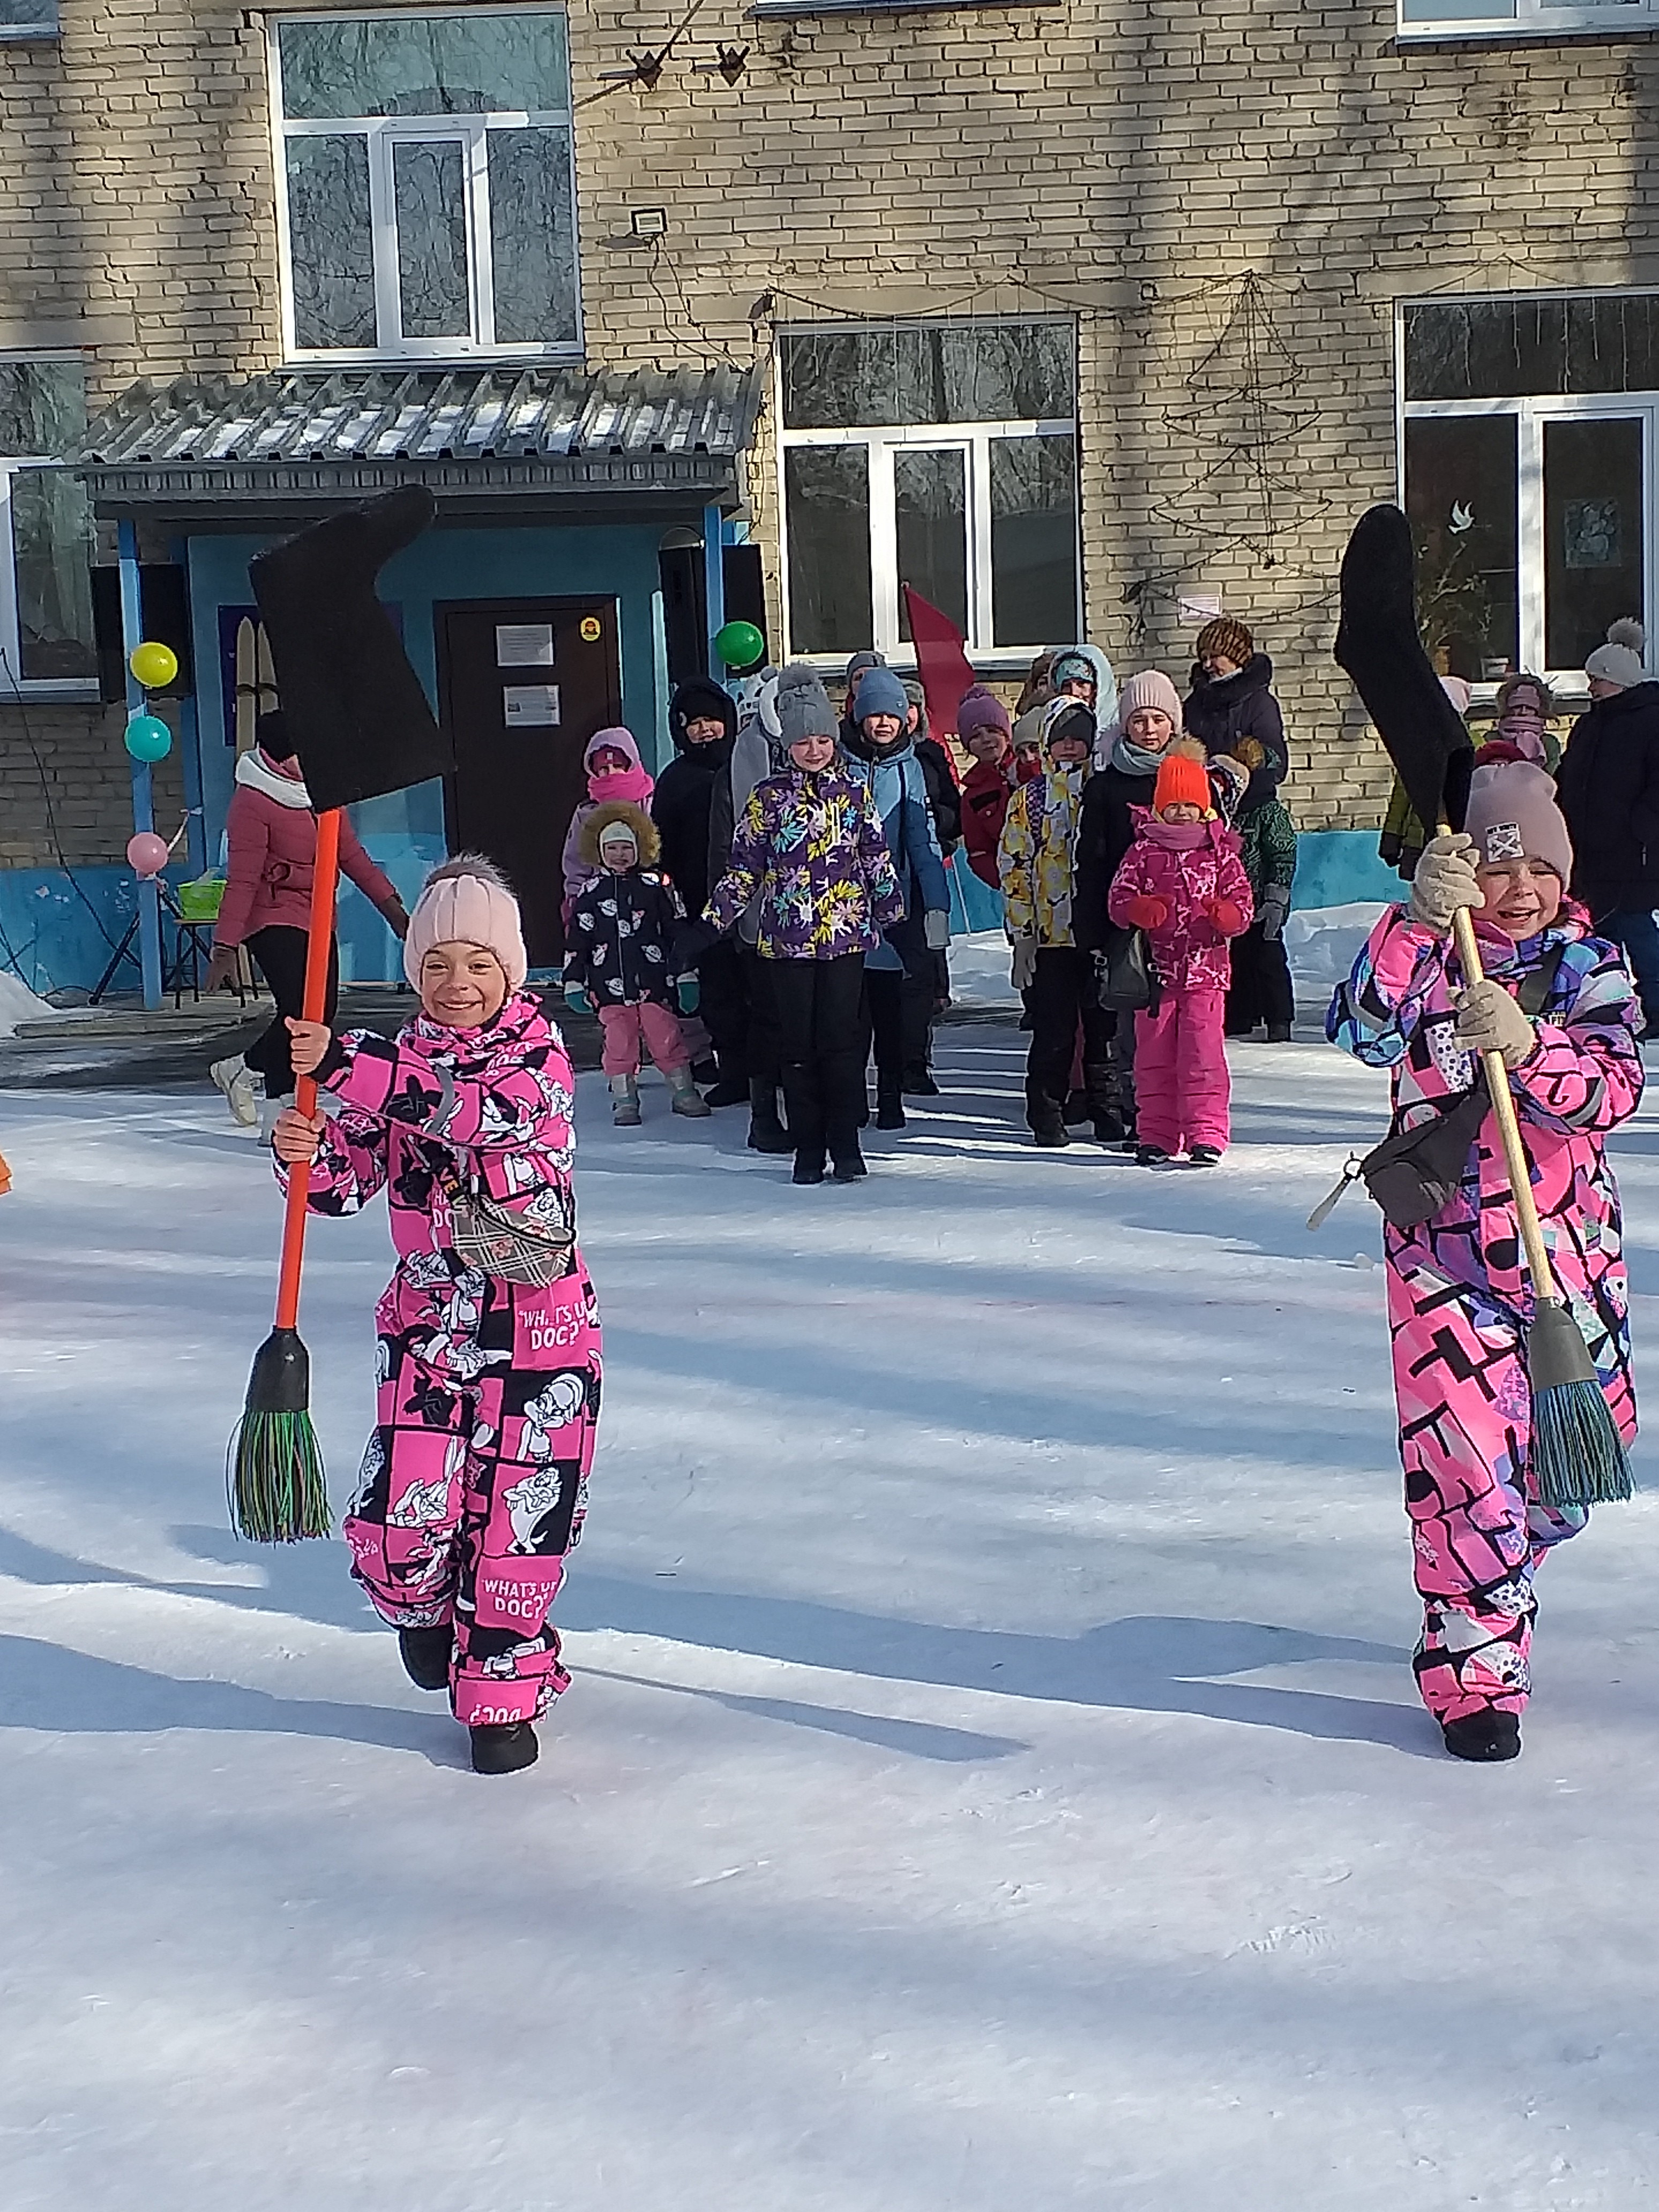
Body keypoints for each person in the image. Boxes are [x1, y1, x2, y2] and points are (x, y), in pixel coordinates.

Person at [1327, 761, 1641, 1762]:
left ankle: (1497, 1572)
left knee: (1566, 1478)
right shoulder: (1430, 956)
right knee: (1463, 1471)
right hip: (1441, 1264)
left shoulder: (1594, 966)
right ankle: (1475, 1671)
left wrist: (1534, 1042)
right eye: (1497, 868)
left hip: (1570, 1264)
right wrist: (1414, 926)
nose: (1518, 889)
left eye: (1536, 869)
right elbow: (1360, 1030)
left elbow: (1614, 1090)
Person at [271, 855, 601, 1777]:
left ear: (513, 970)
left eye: (479, 964)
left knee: (514, 1526)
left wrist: (346, 1063)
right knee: (405, 1520)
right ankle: (420, 1608)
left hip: (539, 1332)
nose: (458, 985)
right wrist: (307, 1150)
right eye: (438, 966)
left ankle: (500, 1693)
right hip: (428, 1328)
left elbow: (475, 1117)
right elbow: (346, 1185)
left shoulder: (537, 1062)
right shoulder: (399, 1063)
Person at [704, 664, 903, 1185]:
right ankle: (808, 1148)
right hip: (787, 941)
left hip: (845, 939)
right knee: (797, 1047)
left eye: (821, 739)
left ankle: (847, 1145)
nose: (813, 749)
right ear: (787, 744)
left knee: (840, 1043)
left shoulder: (853, 795)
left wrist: (894, 915)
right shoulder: (767, 800)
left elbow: (876, 860)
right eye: (802, 741)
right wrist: (708, 925)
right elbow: (744, 869)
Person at [207, 711, 409, 1137]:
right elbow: (242, 879)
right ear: (276, 757)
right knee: (298, 1013)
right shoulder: (253, 801)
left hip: (317, 916)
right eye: (298, 756)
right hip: (271, 916)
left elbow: (351, 856)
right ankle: (279, 1112)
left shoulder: (321, 793)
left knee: (322, 1014)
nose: (307, 763)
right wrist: (225, 946)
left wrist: (394, 910)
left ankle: (241, 1068)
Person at [1107, 747, 1252, 1164]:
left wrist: (1229, 917)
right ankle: (1156, 1133)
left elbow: (1243, 902)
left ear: (1204, 807)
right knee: (1153, 1058)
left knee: (1202, 1057)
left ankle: (1206, 1132)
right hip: (1155, 978)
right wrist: (1136, 908)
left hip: (1206, 975)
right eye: (1174, 805)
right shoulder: (1143, 851)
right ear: (1159, 807)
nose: (1183, 813)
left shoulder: (1220, 852)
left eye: (1191, 804)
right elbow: (1119, 897)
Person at [1073, 670, 1190, 1145]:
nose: (1148, 729)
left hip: (1187, 931)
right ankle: (1141, 1114)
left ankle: (1189, 1118)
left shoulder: (1190, 779)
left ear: (1173, 725)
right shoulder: (1106, 785)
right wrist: (1093, 927)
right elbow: (1091, 859)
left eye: (1158, 719)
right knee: (1134, 1027)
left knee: (1191, 1030)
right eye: (1138, 720)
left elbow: (1220, 850)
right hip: (1129, 924)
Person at [998, 696, 1116, 1147]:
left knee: (1103, 1028)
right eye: (1061, 740)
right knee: (1054, 1031)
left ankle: (1108, 1109)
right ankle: (1046, 1111)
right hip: (1050, 938)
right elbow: (1014, 865)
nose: (1070, 748)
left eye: (1078, 740)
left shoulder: (1104, 791)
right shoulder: (1028, 800)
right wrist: (1023, 933)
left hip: (1099, 932)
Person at [841, 665, 953, 1129]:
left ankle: (890, 1096)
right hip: (843, 907)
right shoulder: (837, 765)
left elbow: (922, 842)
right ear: (860, 717)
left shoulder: (910, 770)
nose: (883, 724)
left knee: (891, 1008)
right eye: (874, 716)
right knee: (849, 1016)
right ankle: (850, 1098)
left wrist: (937, 904)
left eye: (892, 716)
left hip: (894, 906)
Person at [563, 804, 709, 1126]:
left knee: (666, 1037)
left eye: (626, 847)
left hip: (655, 983)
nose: (619, 855)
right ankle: (624, 1098)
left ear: (640, 848)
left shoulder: (657, 885)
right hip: (609, 987)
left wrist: (685, 972)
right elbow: (578, 941)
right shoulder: (591, 892)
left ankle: (684, 1091)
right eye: (612, 848)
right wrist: (574, 980)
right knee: (619, 1044)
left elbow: (677, 930)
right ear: (599, 852)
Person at [1555, 619, 1659, 1038]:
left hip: (1634, 852)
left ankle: (1656, 1001)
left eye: (1597, 679)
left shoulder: (1650, 721)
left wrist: (1641, 828)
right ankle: (1609, 1005)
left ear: (1618, 681)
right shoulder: (1591, 723)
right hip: (1589, 850)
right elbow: (1571, 776)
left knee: (1633, 925)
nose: (1591, 687)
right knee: (1602, 927)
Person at [651, 677, 748, 1107]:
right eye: (695, 723)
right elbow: (661, 845)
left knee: (761, 992)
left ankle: (774, 1070)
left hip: (754, 901)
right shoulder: (675, 781)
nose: (706, 730)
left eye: (713, 720)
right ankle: (734, 1071)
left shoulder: (749, 767)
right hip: (699, 904)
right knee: (720, 993)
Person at [1182, 618, 1289, 813]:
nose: (1207, 665)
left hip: (1251, 812)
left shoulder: (1259, 704)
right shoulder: (1194, 704)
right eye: (1203, 657)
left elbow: (1278, 767)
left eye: (1215, 656)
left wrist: (1251, 760)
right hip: (1203, 810)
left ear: (1236, 657)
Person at [560, 728, 654, 922]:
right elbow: (576, 862)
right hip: (599, 905)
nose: (611, 773)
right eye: (604, 769)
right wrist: (574, 901)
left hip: (646, 899)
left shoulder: (650, 803)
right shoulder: (586, 813)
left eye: (618, 766)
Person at [1227, 795, 1298, 1040]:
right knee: (1236, 958)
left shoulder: (1267, 811)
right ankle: (1239, 1017)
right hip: (1228, 904)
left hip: (1261, 902)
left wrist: (1275, 897)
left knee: (1268, 957)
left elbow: (1282, 853)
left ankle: (1279, 1019)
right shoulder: (1220, 805)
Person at [959, 686, 1018, 890]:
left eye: (992, 731)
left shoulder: (1032, 769)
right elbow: (978, 851)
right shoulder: (973, 795)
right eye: (976, 736)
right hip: (1015, 886)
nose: (986, 740)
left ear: (1007, 734)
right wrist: (1006, 879)